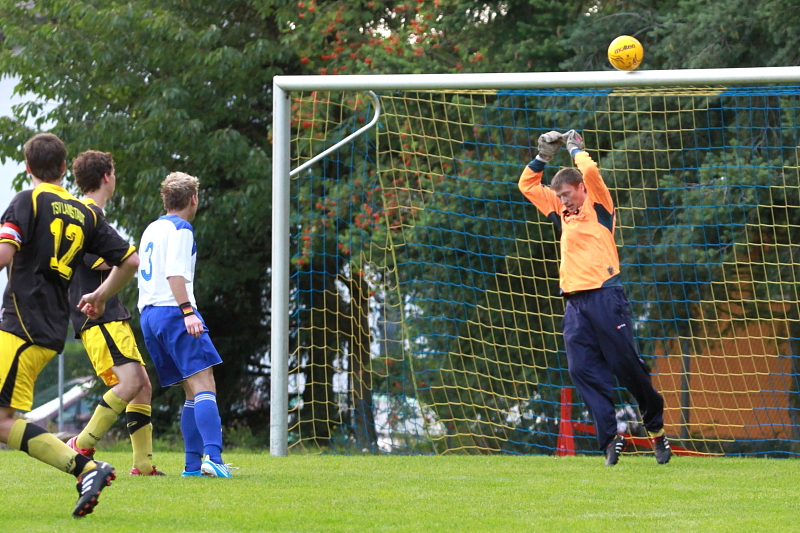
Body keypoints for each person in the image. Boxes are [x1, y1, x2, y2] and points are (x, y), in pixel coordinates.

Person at [0, 133, 140, 516]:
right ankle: (86, 469)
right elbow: (130, 261)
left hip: (21, 325)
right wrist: (100, 295)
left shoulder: (27, 200)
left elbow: (4, 254)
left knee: (1, 421)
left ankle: (86, 468)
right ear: (64, 167)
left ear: (27, 168)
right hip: (50, 327)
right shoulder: (86, 213)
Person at [518, 130, 671, 466]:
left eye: (567, 194)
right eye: (559, 195)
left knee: (626, 367)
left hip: (606, 296)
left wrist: (574, 148)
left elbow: (589, 170)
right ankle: (610, 439)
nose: (563, 200)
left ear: (582, 189)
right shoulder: (559, 210)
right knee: (581, 369)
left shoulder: (599, 204)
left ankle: (656, 430)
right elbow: (527, 186)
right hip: (574, 302)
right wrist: (543, 157)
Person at [66, 150, 163, 476]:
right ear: (107, 176)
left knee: (142, 385)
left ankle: (143, 465)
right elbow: (109, 260)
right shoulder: (88, 217)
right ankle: (81, 443)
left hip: (109, 316)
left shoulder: (88, 215)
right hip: (99, 316)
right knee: (131, 381)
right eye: (115, 173)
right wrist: (134, 256)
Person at [137, 172, 233, 477]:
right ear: (193, 199)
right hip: (174, 312)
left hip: (149, 316)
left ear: (165, 199)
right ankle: (213, 458)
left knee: (191, 391)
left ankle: (192, 466)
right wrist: (188, 312)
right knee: (205, 384)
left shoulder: (151, 229)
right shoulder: (181, 228)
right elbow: (175, 274)